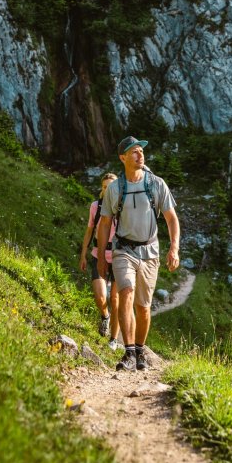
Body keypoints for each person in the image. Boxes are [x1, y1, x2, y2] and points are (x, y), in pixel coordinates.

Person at [97, 136, 180, 372]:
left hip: (150, 252)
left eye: (141, 151)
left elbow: (172, 219)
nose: (139, 154)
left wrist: (174, 248)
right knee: (126, 293)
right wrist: (102, 257)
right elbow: (105, 224)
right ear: (123, 158)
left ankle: (140, 349)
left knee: (143, 307)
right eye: (134, 151)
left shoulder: (156, 184)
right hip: (123, 250)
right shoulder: (115, 188)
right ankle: (129, 352)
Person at [79, 172, 120, 350]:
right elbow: (89, 230)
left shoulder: (124, 207)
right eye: (105, 187)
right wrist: (83, 254)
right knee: (100, 296)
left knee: (116, 299)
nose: (108, 190)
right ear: (102, 189)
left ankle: (113, 339)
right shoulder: (95, 207)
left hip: (120, 257)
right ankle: (105, 317)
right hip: (99, 255)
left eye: (112, 187)